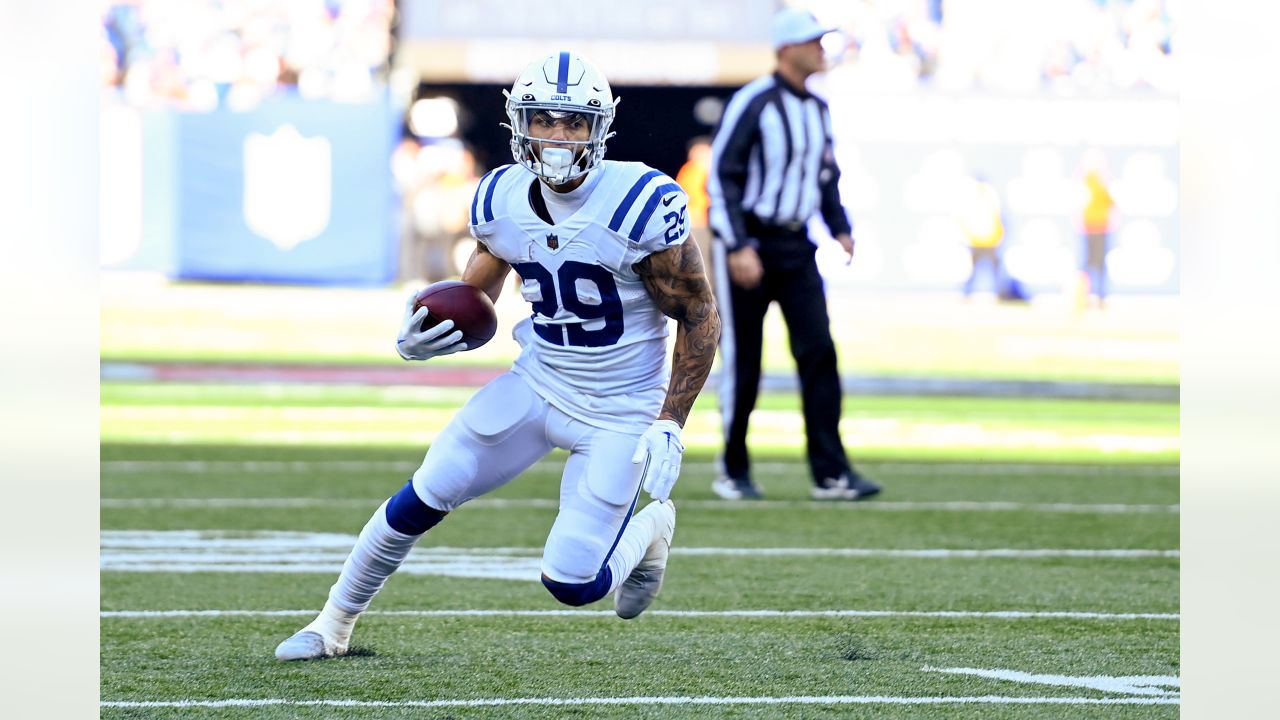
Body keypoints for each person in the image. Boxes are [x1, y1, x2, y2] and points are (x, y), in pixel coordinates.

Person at [274, 51, 721, 661]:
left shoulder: (640, 200)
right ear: (520, 123)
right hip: (538, 383)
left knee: (573, 583)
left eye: (573, 122)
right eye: (545, 119)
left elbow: (699, 315)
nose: (559, 136)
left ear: (599, 128)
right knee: (426, 491)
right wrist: (422, 333)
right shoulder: (500, 199)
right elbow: (474, 302)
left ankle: (651, 530)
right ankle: (332, 624)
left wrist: (670, 420)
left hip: (620, 408)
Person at [706, 9, 880, 503]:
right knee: (745, 360)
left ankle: (830, 471)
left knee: (819, 351)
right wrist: (737, 243)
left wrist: (840, 227)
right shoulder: (754, 101)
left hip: (797, 244)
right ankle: (733, 467)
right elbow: (723, 176)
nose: (822, 50)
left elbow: (826, 175)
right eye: (813, 42)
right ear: (786, 49)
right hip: (752, 242)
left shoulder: (817, 109)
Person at [959, 174, 1005, 299]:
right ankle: (968, 293)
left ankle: (999, 293)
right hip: (984, 240)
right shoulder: (988, 196)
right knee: (977, 271)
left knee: (989, 270)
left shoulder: (983, 197)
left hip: (983, 240)